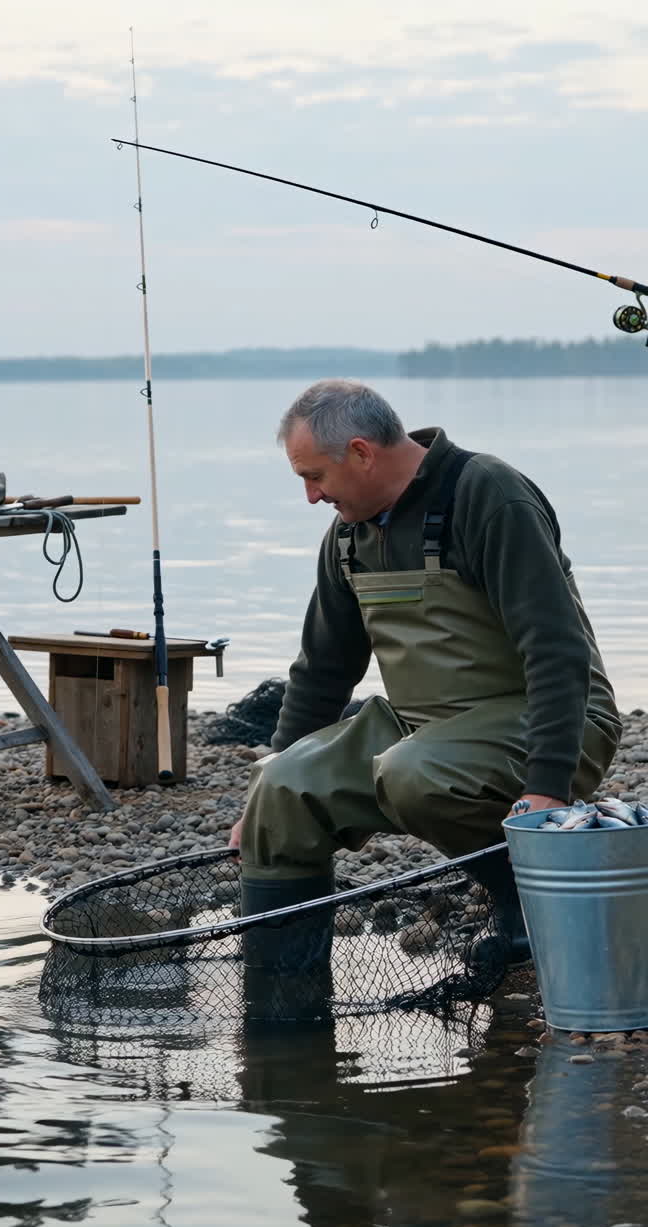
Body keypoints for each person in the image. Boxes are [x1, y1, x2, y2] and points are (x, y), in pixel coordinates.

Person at [230, 379, 621, 966]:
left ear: (362, 453)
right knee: (280, 791)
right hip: (421, 730)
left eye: (315, 477)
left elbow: (555, 650)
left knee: (412, 771)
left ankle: (532, 901)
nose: (311, 496)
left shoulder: (487, 494)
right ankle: (281, 1010)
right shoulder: (347, 534)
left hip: (558, 721)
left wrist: (545, 793)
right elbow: (322, 672)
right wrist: (262, 787)